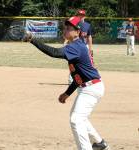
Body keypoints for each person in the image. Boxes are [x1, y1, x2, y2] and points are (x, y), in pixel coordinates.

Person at [23, 16, 110, 150]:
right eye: (65, 27)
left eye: (69, 28)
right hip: (88, 87)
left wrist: (33, 39)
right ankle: (99, 143)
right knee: (80, 117)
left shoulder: (76, 47)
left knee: (76, 119)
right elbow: (78, 78)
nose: (66, 30)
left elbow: (54, 52)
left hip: (91, 88)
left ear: (78, 32)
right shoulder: (75, 46)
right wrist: (67, 93)